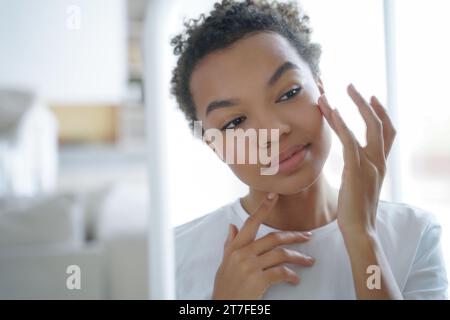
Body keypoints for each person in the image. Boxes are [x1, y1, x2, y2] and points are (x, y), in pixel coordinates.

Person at [170, 0, 448, 299]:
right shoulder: (175, 258)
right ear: (214, 145)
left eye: (288, 93)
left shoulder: (413, 235)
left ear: (320, 88)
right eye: (235, 121)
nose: (274, 132)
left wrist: (362, 237)